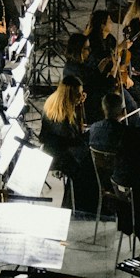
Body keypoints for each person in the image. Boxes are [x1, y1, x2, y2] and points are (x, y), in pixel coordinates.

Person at [40, 74, 98, 217]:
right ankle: (81, 207)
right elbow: (72, 137)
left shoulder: (66, 104)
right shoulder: (56, 113)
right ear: (70, 95)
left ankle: (81, 204)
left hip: (66, 146)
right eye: (78, 94)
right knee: (88, 167)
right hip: (57, 154)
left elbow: (77, 133)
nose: (81, 96)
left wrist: (79, 106)